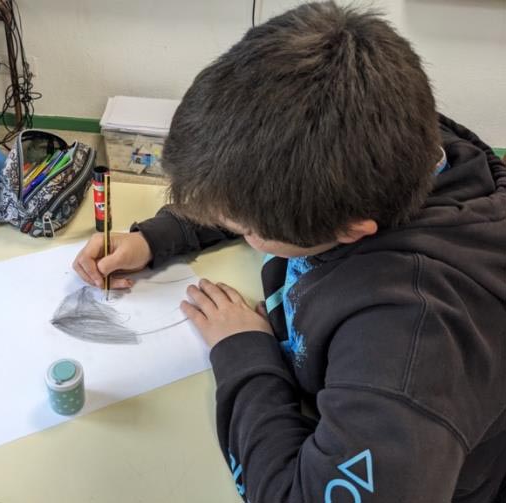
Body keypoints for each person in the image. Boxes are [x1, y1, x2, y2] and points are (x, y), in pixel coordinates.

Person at [73, 2, 506, 501]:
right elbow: (257, 184)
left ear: (351, 230)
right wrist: (155, 238)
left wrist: (244, 354)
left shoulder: (412, 349)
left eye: (244, 228)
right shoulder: (391, 131)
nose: (234, 228)